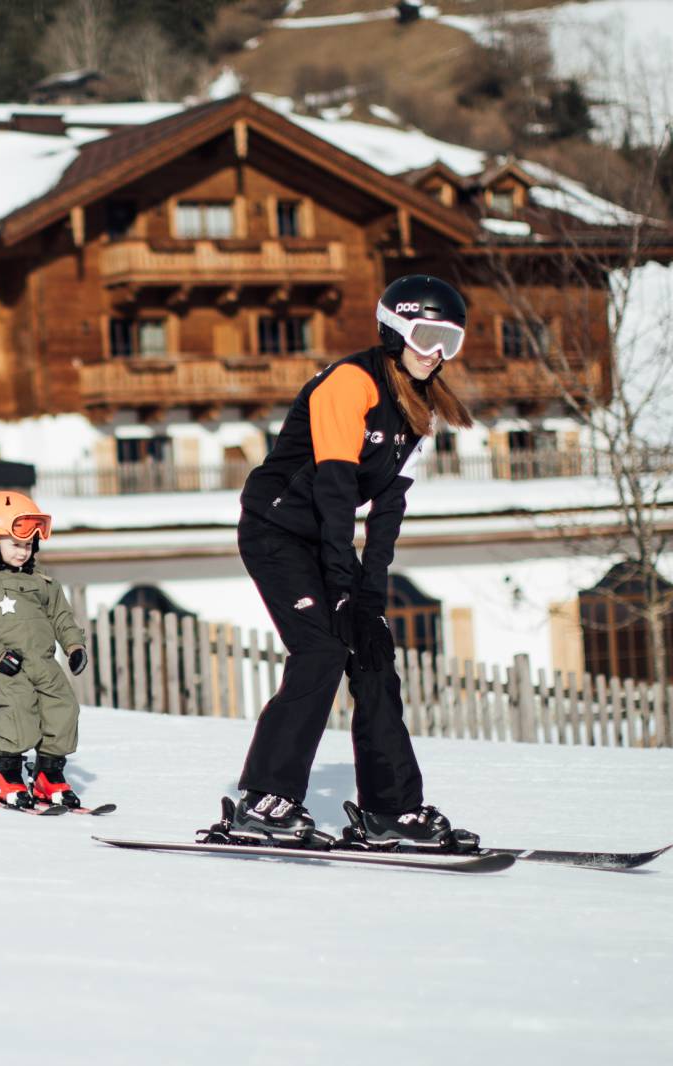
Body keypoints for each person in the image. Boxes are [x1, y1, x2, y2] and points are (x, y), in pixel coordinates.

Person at [231, 275, 480, 851]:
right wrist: (342, 585)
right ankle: (264, 800)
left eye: (449, 341)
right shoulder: (349, 384)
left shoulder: (421, 407)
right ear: (395, 330)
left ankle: (391, 809)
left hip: (327, 538)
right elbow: (335, 492)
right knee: (321, 650)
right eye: (426, 336)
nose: (436, 353)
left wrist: (370, 598)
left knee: (372, 656)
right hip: (278, 532)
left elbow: (388, 511)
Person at [0, 490, 89, 809]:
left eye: (28, 545)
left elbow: (61, 617)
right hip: (3, 665)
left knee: (63, 707)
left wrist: (74, 646)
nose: (23, 551)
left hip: (43, 662)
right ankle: (5, 775)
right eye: (15, 543)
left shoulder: (43, 582)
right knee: (17, 708)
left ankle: (48, 775)